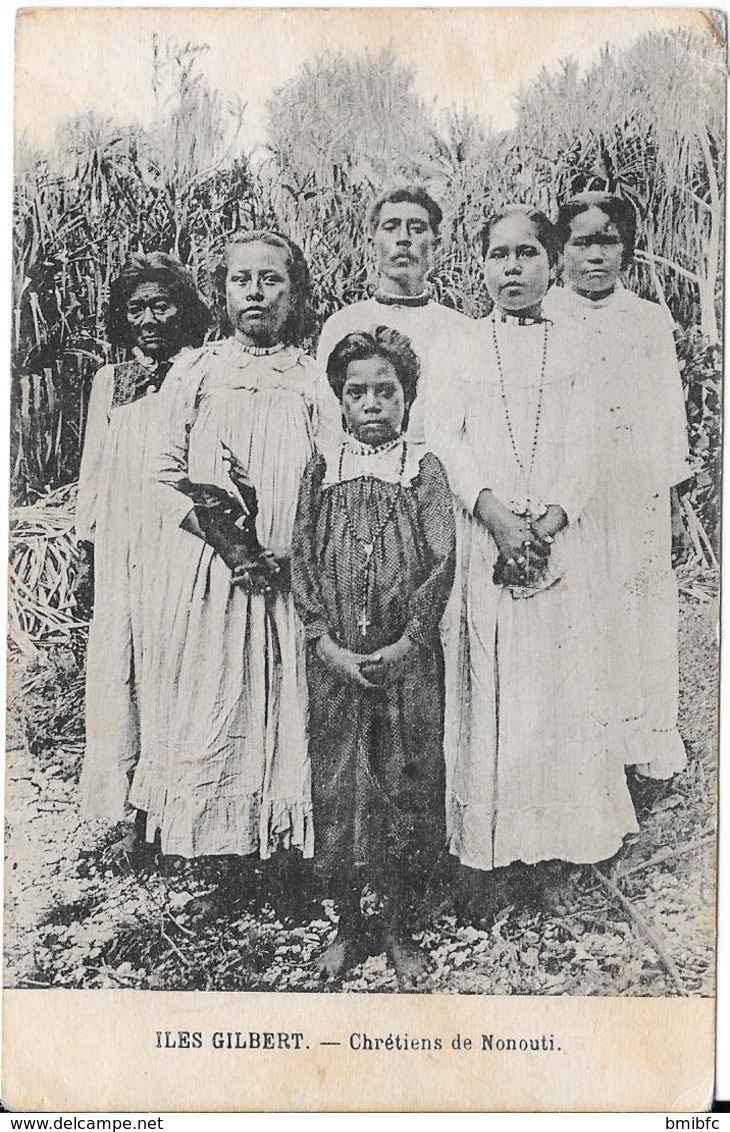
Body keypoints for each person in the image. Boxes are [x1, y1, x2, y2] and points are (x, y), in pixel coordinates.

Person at [426, 205, 638, 913]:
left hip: (557, 545)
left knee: (556, 693)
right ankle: (488, 857)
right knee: (488, 690)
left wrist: (544, 523)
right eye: (498, 255)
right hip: (484, 537)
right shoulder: (458, 347)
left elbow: (589, 450)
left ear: (553, 265)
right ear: (480, 265)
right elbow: (445, 440)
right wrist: (497, 519)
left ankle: (559, 848)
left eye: (527, 255)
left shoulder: (579, 350)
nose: (512, 269)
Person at [130, 231, 319, 917]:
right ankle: (233, 863)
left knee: (287, 703)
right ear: (223, 293)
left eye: (272, 280)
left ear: (293, 293)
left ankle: (290, 863)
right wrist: (229, 543)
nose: (257, 294)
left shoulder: (309, 375)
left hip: (290, 576)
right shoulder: (197, 372)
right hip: (220, 576)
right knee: (225, 700)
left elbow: (327, 475)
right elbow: (160, 475)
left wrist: (296, 550)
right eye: (243, 281)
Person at [291, 326, 456, 985]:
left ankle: (398, 925)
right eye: (356, 392)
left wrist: (407, 641)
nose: (371, 404)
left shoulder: (422, 469)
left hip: (404, 662)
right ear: (339, 399)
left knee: (404, 781)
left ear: (407, 398)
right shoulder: (322, 468)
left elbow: (440, 564)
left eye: (385, 391)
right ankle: (348, 924)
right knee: (340, 785)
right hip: (336, 663)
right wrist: (324, 641)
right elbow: (302, 560)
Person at [547, 192, 691, 791]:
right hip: (569, 495)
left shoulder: (648, 320)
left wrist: (674, 497)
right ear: (561, 252)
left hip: (635, 490)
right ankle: (585, 752)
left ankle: (641, 746)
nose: (596, 254)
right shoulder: (544, 314)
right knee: (581, 611)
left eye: (608, 240)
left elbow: (666, 412)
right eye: (582, 241)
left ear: (627, 248)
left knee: (638, 610)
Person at [76, 252, 211, 863]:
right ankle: (133, 813)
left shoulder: (200, 372)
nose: (150, 319)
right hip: (122, 549)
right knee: (121, 671)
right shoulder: (110, 381)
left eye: (162, 305)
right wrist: (88, 547)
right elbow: (95, 473)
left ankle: (175, 812)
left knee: (174, 672)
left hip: (178, 544)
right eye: (136, 309)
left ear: (183, 309)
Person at [316, 185, 472, 445]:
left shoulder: (461, 330)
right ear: (371, 242)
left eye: (417, 228)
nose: (403, 239)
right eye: (390, 227)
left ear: (437, 242)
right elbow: (329, 425)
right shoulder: (342, 324)